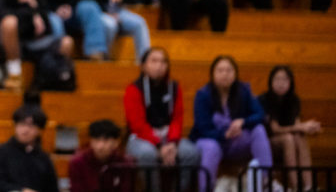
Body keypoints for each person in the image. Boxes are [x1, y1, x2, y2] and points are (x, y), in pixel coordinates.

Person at [190, 56, 272, 192]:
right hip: (211, 140)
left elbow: (260, 114)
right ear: (213, 74)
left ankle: (266, 181)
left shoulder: (243, 90)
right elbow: (202, 128)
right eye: (220, 70)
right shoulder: (203, 94)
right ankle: (206, 189)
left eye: (229, 70)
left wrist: (243, 122)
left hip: (236, 140)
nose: (225, 74)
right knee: (211, 147)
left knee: (258, 129)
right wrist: (224, 134)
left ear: (235, 74)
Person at [123, 47, 200, 192]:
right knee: (147, 155)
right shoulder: (134, 89)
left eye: (163, 62)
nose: (159, 66)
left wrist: (171, 142)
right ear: (144, 65)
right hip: (141, 138)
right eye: (154, 61)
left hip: (168, 136)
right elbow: (137, 125)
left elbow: (177, 119)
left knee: (190, 153)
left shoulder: (174, 87)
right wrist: (159, 146)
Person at [258, 65, 321, 191]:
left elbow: (297, 127)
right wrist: (302, 126)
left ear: (290, 82)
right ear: (271, 81)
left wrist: (309, 128)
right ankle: (295, 187)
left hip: (289, 141)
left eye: (285, 79)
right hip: (268, 143)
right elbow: (275, 129)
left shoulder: (294, 100)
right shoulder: (265, 99)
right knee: (288, 138)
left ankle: (309, 186)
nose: (281, 83)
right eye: (277, 79)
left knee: (299, 136)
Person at [0, 104, 57, 192]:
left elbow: (52, 188)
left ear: (40, 130)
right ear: (15, 126)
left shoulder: (44, 158)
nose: (26, 130)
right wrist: (21, 190)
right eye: (22, 124)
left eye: (31, 126)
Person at [68, 120, 133, 192]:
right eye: (96, 140)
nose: (100, 146)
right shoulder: (78, 163)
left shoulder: (124, 163)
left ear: (116, 142)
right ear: (90, 141)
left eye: (106, 140)